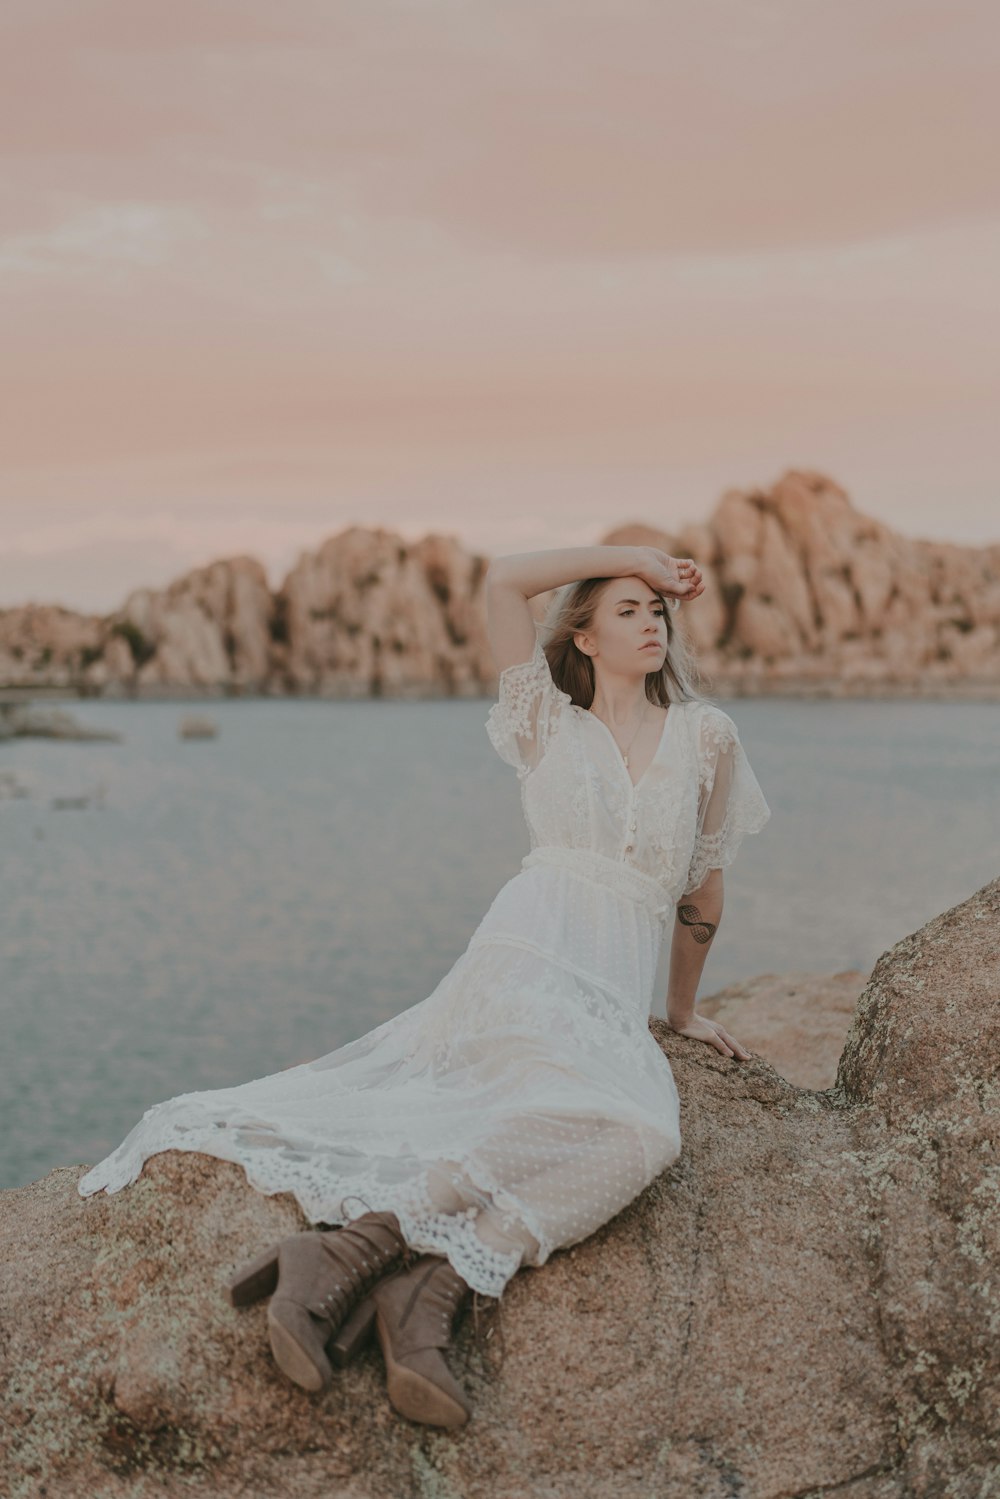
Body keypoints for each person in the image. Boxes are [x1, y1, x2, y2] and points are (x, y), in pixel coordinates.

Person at [77, 543, 771, 1430]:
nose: (652, 621)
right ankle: (382, 1269)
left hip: (607, 989)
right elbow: (502, 578)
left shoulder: (706, 736)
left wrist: (679, 1013)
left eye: (658, 611)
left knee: (643, 1139)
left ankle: (408, 1277)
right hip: (523, 955)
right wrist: (634, 553)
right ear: (585, 638)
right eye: (629, 609)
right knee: (583, 1113)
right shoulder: (544, 723)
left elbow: (702, 891)